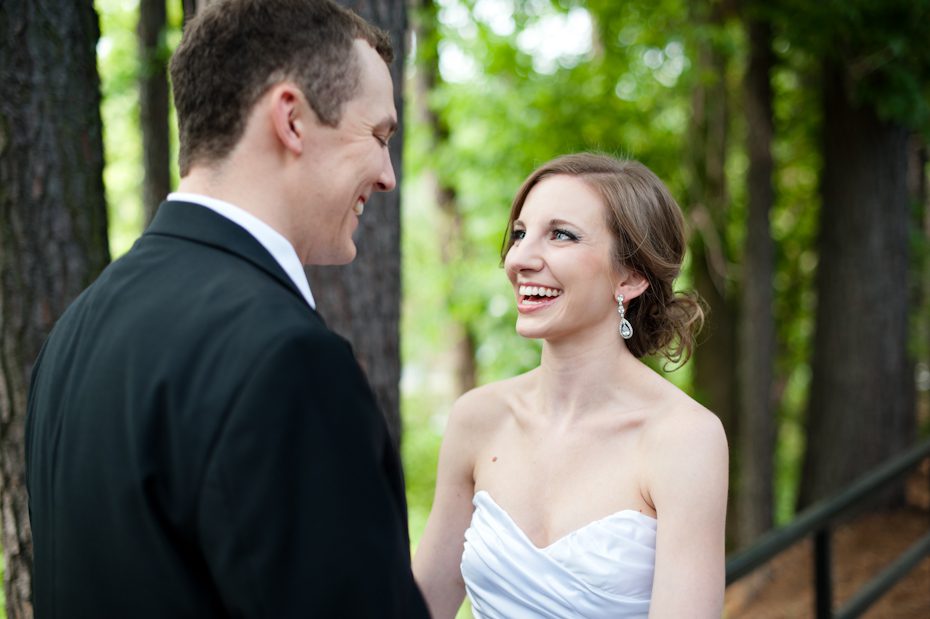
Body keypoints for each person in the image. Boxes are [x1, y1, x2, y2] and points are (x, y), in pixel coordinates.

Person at [25, 1, 428, 617]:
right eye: (376, 135)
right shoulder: (287, 359)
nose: (387, 175)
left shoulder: (76, 331)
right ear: (292, 119)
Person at [413, 153, 729, 618]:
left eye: (561, 235)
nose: (520, 258)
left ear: (632, 275)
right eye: (520, 234)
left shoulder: (684, 439)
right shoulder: (477, 419)